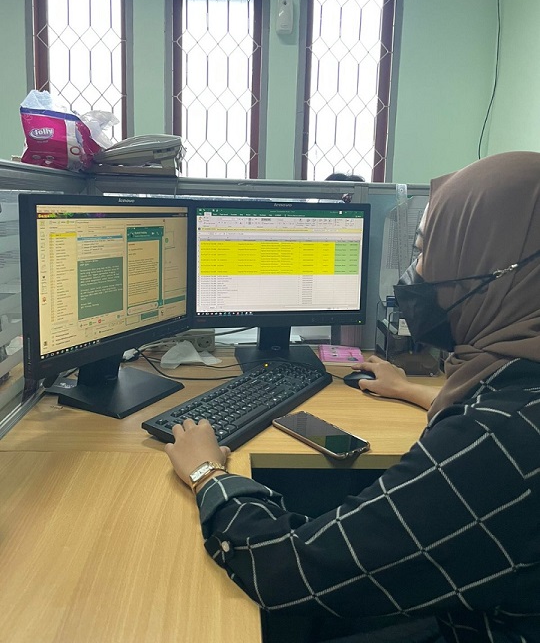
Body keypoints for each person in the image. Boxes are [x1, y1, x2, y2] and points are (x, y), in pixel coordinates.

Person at [165, 151, 540, 642]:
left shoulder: (497, 437)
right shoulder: (519, 395)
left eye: (426, 251)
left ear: (495, 271)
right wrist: (411, 390)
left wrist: (206, 474)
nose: (417, 274)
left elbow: (289, 570)